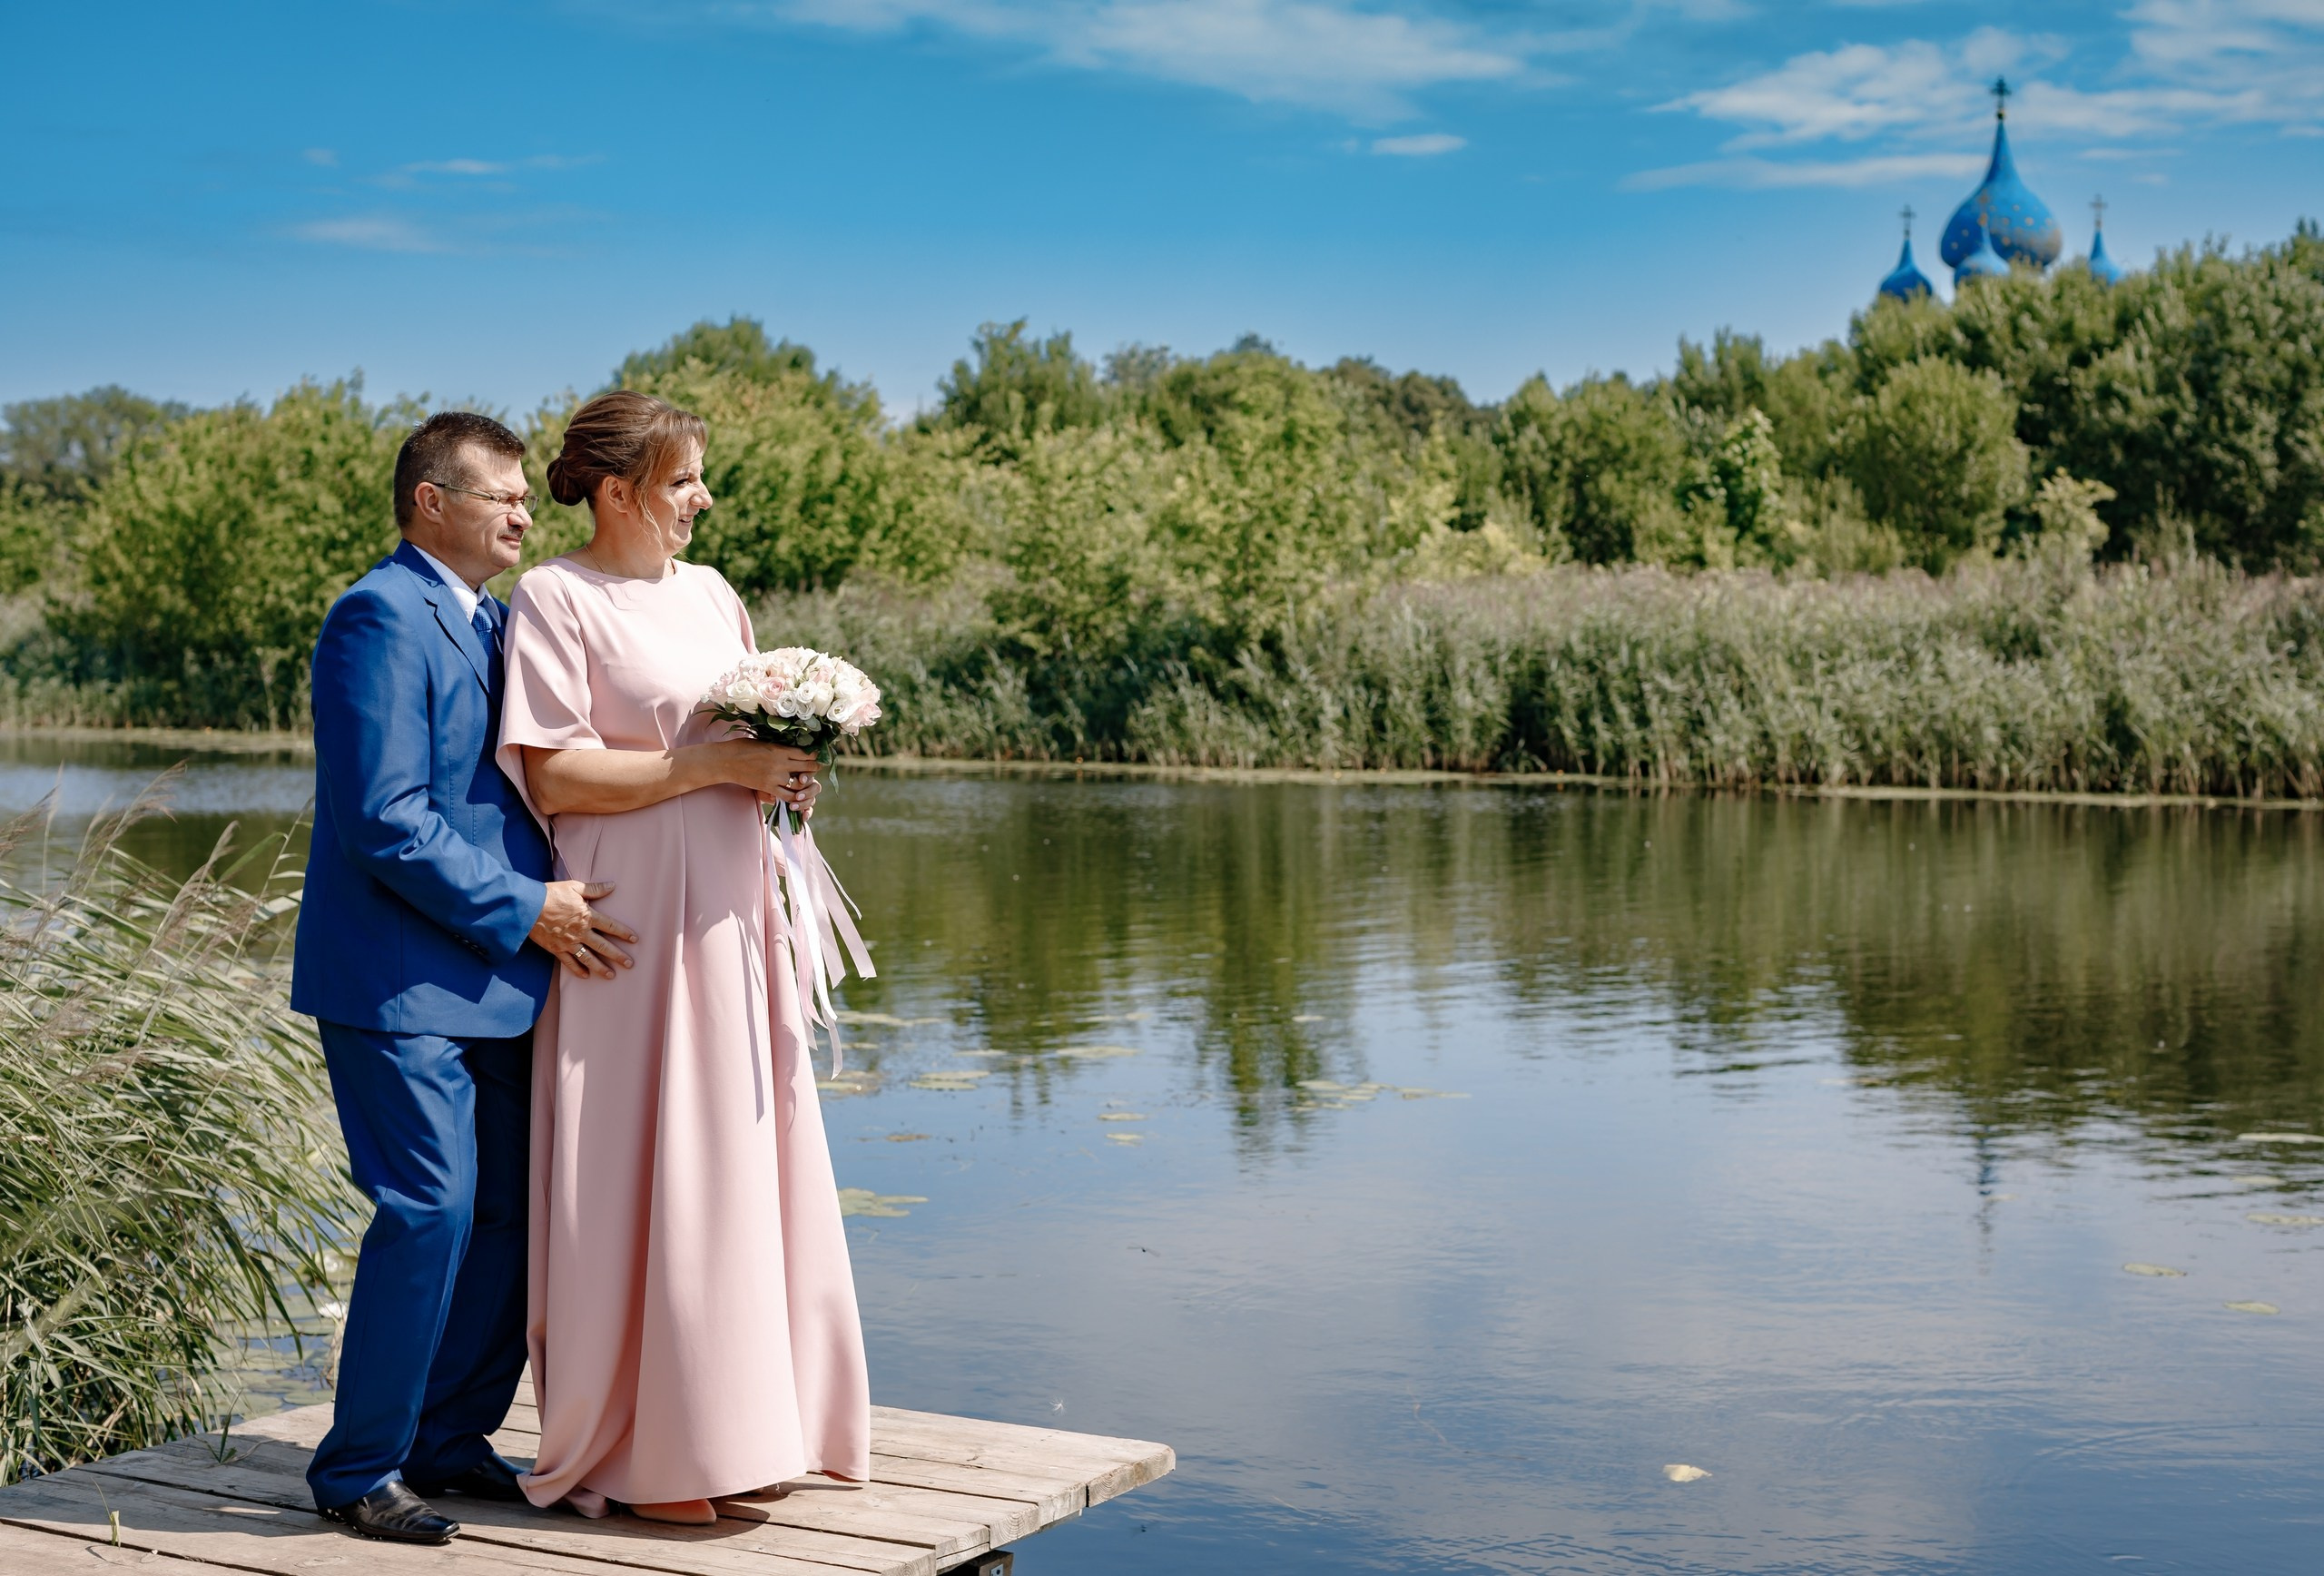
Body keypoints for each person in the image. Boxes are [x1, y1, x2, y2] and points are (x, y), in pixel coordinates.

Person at [497, 389, 870, 1523]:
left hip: (728, 911)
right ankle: (643, 1448)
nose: (701, 499)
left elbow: (736, 747)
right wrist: (715, 770)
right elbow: (555, 774)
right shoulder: (556, 596)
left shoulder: (712, 593)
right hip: (630, 920)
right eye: (681, 482)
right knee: (642, 1166)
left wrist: (786, 770)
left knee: (740, 1155)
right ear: (616, 490)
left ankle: (749, 1426)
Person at [292, 412, 642, 1545]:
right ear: (430, 501)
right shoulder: (377, 616)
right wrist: (525, 907)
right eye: (500, 495)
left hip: (499, 982)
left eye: (523, 498)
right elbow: (385, 818)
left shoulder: (495, 622)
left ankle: (447, 1437)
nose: (523, 513)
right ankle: (358, 1469)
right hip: (397, 983)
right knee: (428, 1206)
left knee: (507, 1214)